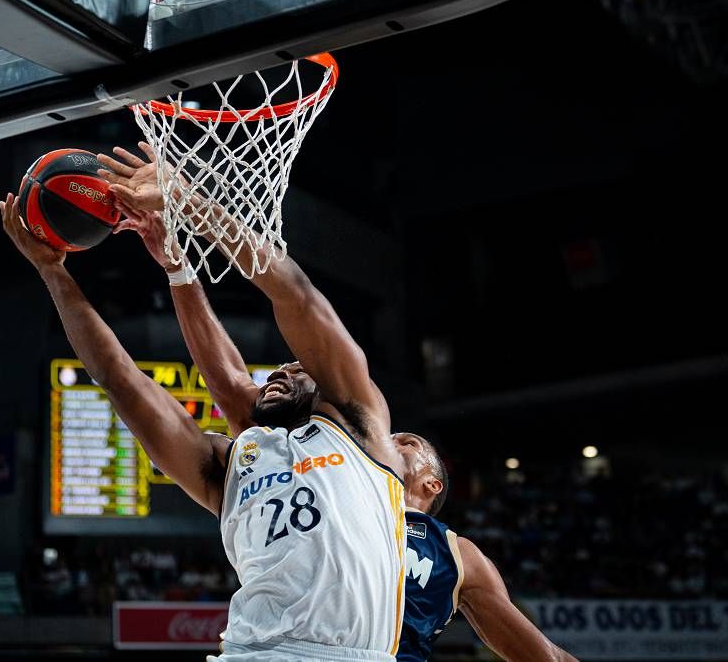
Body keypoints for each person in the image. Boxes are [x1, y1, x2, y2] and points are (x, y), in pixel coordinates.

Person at [102, 143, 578, 662]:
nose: (395, 438)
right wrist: (179, 269)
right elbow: (235, 390)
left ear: (430, 483)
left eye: (410, 443)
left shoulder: (455, 553)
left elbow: (540, 655)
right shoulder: (335, 465)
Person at [0, 142, 407, 661]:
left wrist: (188, 202)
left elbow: (294, 295)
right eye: (276, 370)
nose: (280, 370)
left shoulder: (361, 427)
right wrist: (54, 273)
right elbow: (120, 378)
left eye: (293, 368)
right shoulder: (229, 464)